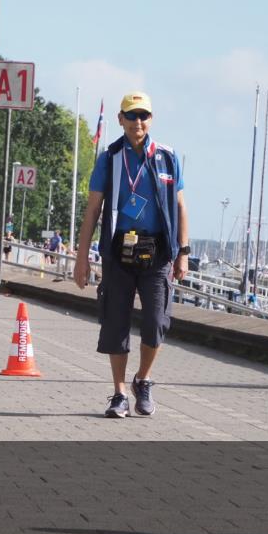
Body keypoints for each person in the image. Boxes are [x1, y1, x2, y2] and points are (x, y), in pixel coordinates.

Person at [73, 92, 189, 419]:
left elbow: (180, 207)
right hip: (119, 251)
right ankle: (119, 393)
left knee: (155, 323)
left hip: (158, 253)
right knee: (115, 324)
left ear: (151, 120)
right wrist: (81, 258)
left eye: (144, 116)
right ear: (120, 119)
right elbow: (93, 209)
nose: (138, 122)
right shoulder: (109, 158)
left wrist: (183, 252)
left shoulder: (167, 157)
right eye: (132, 115)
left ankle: (143, 379)